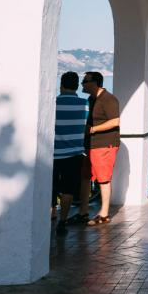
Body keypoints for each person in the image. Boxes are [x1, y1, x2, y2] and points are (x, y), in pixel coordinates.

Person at [80, 71, 120, 225]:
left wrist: (92, 130)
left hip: (104, 145)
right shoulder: (92, 99)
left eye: (85, 80)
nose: (82, 83)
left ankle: (104, 214)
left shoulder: (108, 99)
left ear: (95, 83)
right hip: (90, 145)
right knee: (85, 177)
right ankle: (83, 212)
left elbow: (115, 121)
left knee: (103, 179)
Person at [52, 72, 87, 235]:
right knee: (68, 190)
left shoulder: (53, 104)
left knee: (50, 187)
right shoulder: (84, 104)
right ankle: (62, 221)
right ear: (77, 85)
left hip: (53, 154)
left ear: (62, 85)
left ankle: (50, 216)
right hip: (74, 155)